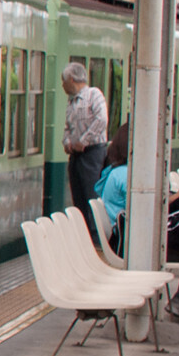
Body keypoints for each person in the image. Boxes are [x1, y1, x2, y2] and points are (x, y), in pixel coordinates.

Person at [62, 62, 109, 238]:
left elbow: (101, 120)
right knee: (78, 195)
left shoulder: (93, 95)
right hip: (75, 155)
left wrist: (84, 141)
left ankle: (96, 236)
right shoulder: (71, 102)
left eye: (63, 81)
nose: (62, 85)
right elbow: (68, 127)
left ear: (71, 79)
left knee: (92, 194)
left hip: (92, 152)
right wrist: (67, 142)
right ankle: (83, 234)